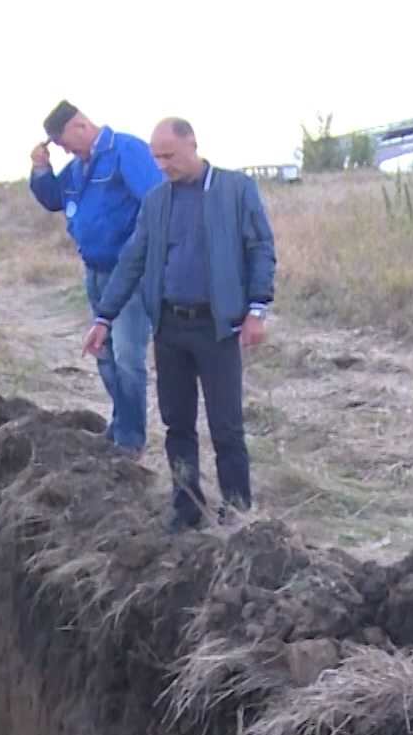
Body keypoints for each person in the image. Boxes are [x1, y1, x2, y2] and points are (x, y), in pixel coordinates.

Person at [83, 117, 276, 532]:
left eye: (168, 155)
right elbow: (133, 260)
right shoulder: (156, 201)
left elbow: (260, 247)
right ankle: (187, 505)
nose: (162, 164)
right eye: (156, 157)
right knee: (177, 425)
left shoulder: (235, 190)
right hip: (170, 328)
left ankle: (237, 511)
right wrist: (105, 317)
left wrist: (257, 308)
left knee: (226, 427)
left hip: (217, 328)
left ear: (193, 144)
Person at [29, 100, 166, 457]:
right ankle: (121, 424)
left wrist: (137, 253)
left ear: (79, 126)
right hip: (96, 273)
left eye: (62, 142)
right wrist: (41, 171)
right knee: (103, 354)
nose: (62, 150)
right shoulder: (78, 168)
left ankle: (131, 439)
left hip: (130, 276)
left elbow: (157, 203)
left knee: (127, 356)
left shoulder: (126, 150)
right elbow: (56, 199)